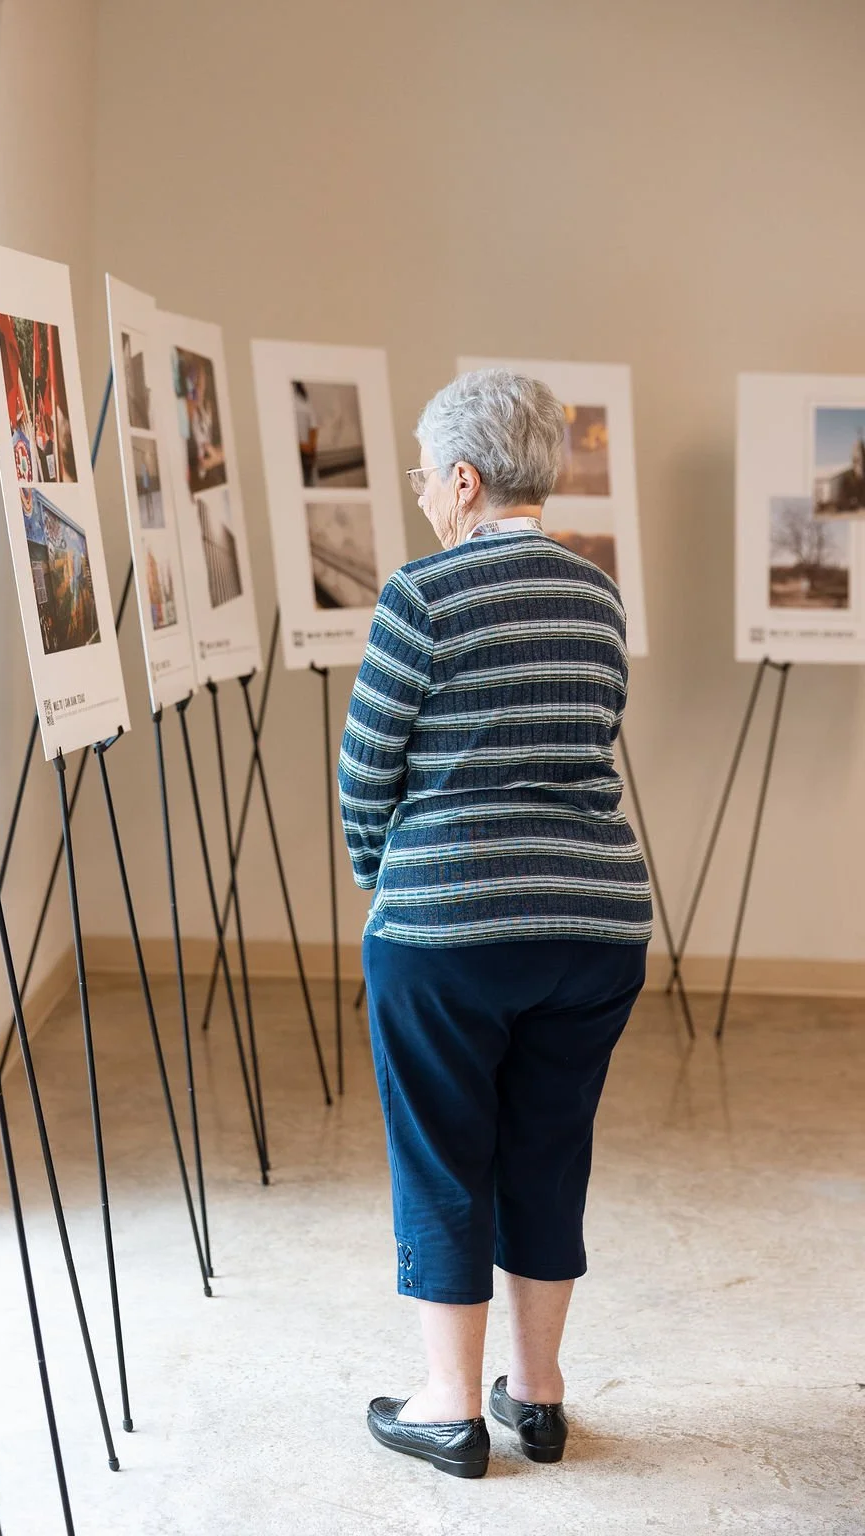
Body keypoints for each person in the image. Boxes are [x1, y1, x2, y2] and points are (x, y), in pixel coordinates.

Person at [338, 369, 652, 1480]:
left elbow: (366, 768)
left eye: (427, 475)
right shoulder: (598, 595)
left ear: (465, 480)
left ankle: (449, 1407)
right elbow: (593, 735)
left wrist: (387, 878)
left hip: (450, 929)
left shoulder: (421, 596)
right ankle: (539, 1393)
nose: (424, 492)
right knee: (547, 1149)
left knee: (443, 1154)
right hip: (596, 926)